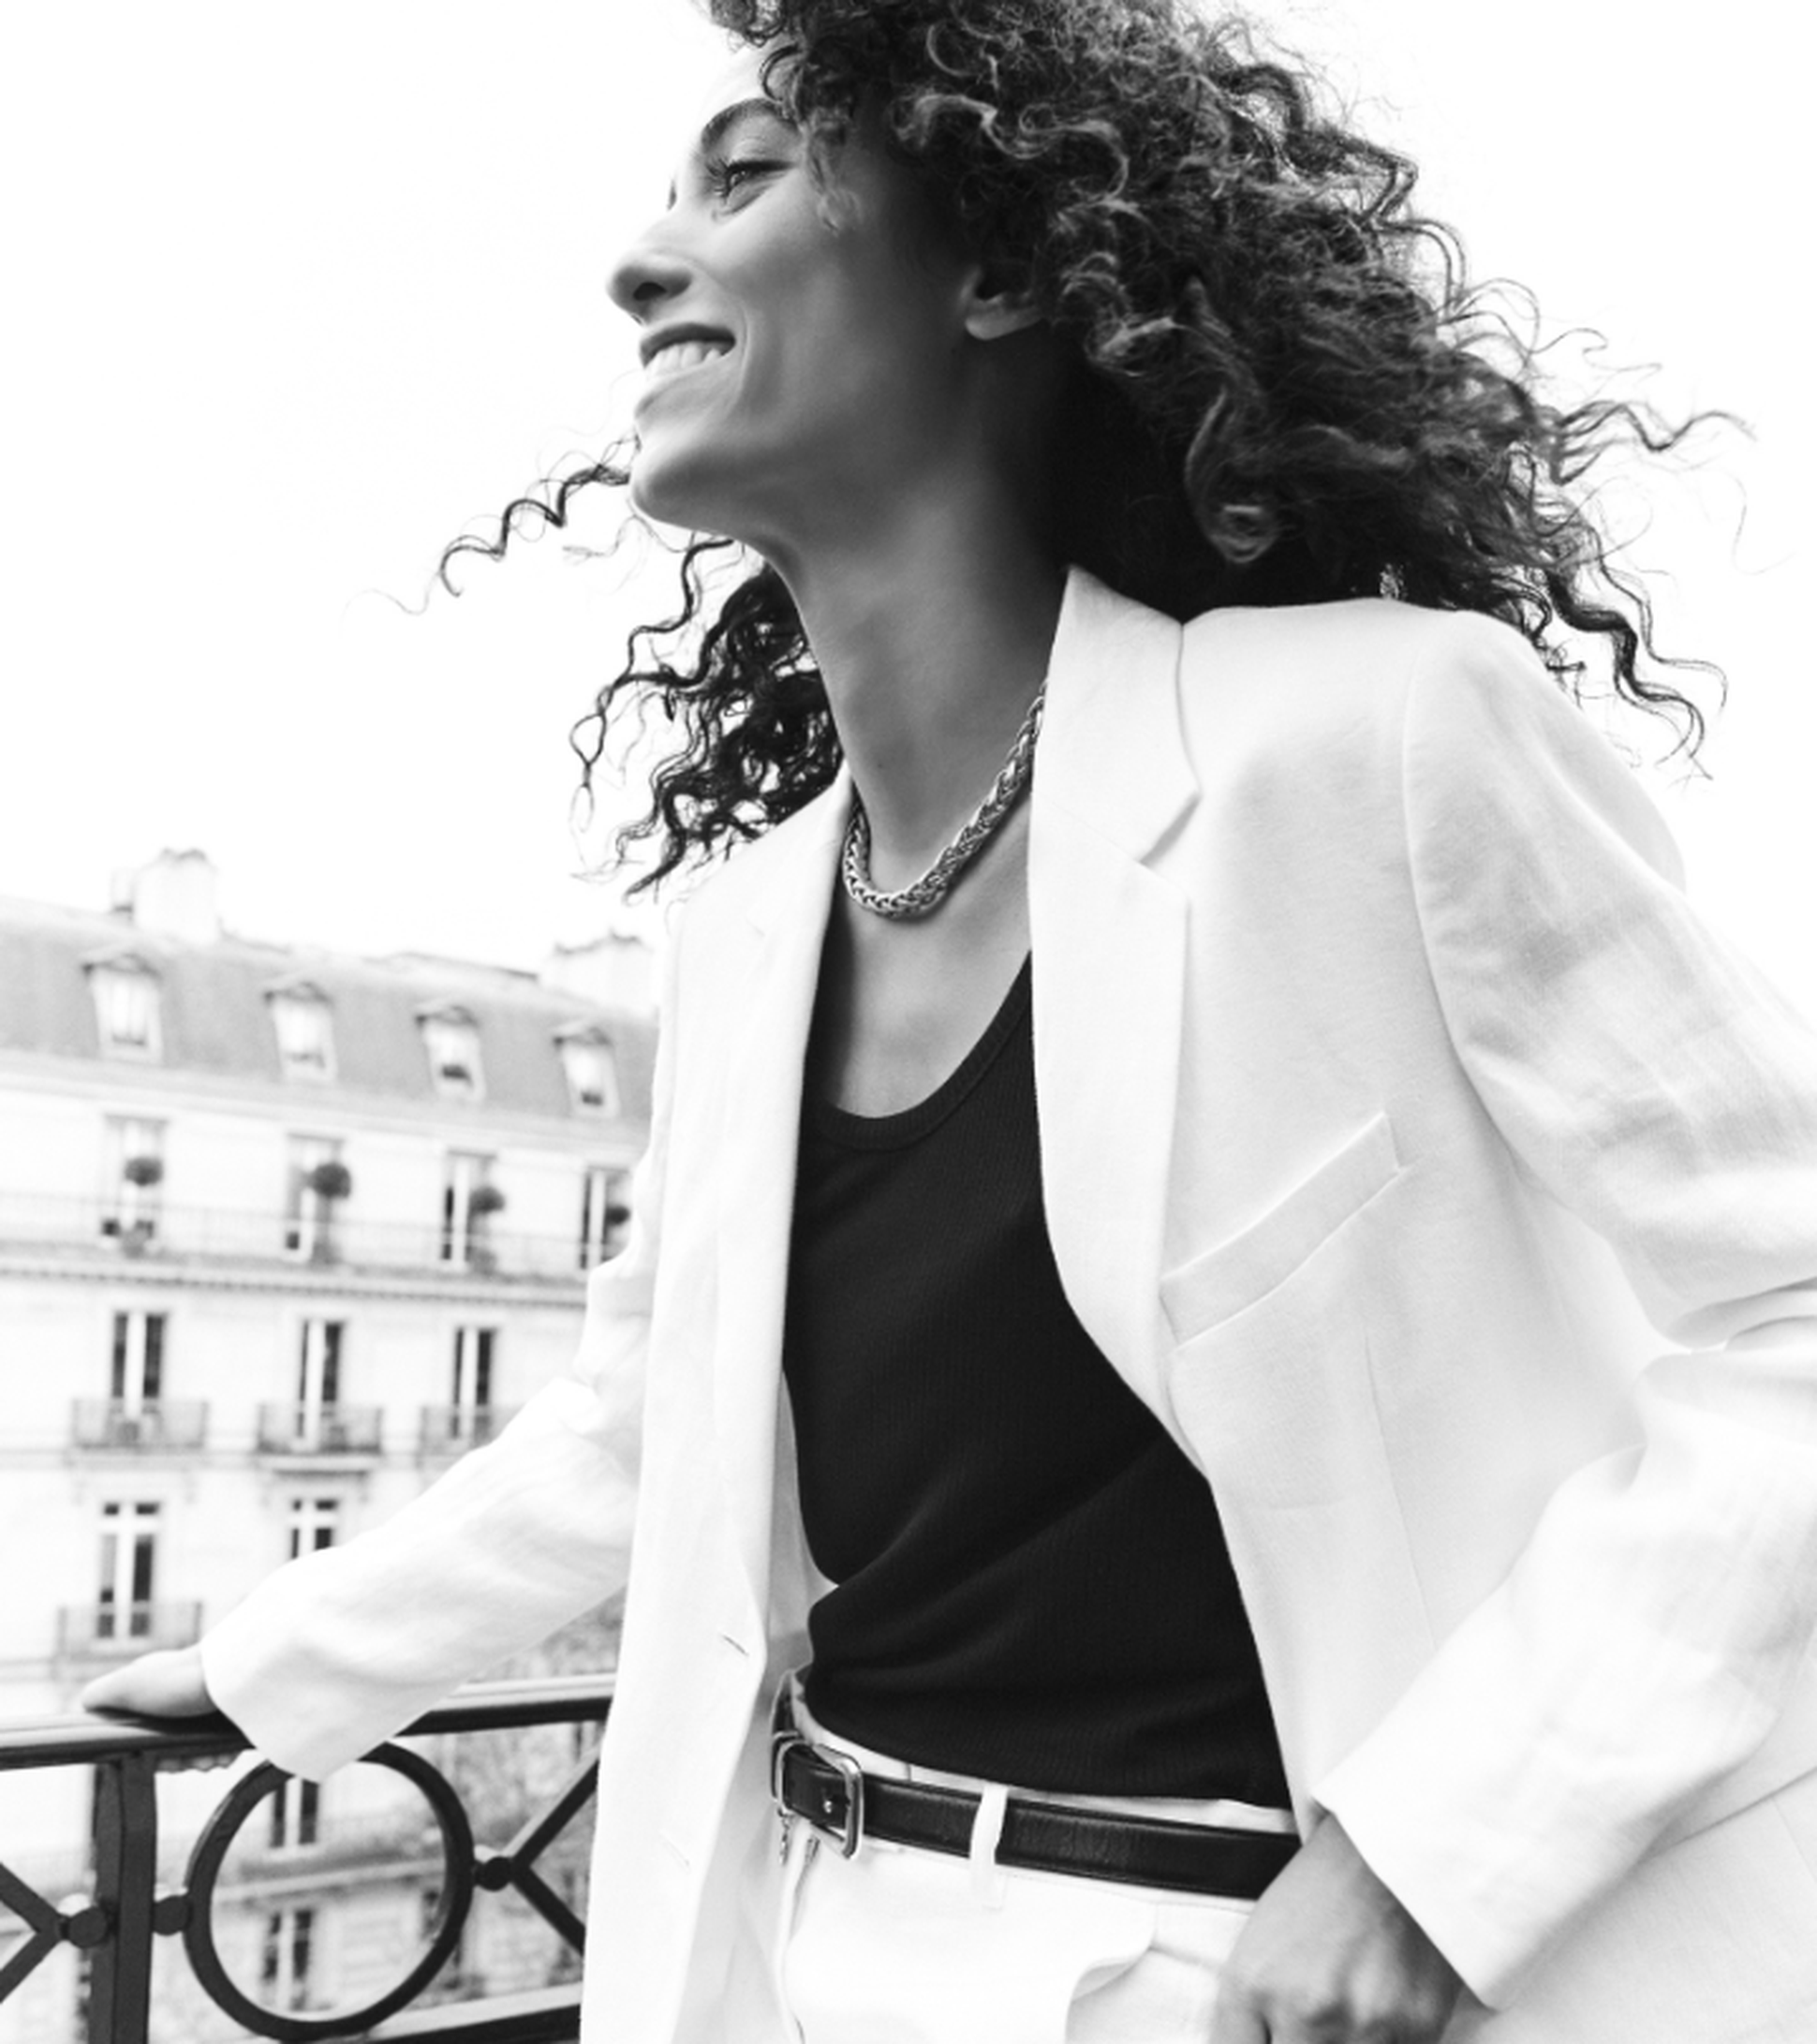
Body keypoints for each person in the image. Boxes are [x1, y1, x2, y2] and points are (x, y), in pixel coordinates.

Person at [83, 2, 1817, 2038]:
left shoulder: (1373, 741)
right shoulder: (746, 923)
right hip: (799, 1943)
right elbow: (649, 1422)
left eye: (743, 177)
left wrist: (1433, 1861)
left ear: (997, 266)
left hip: (1221, 1972)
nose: (639, 263)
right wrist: (278, 1663)